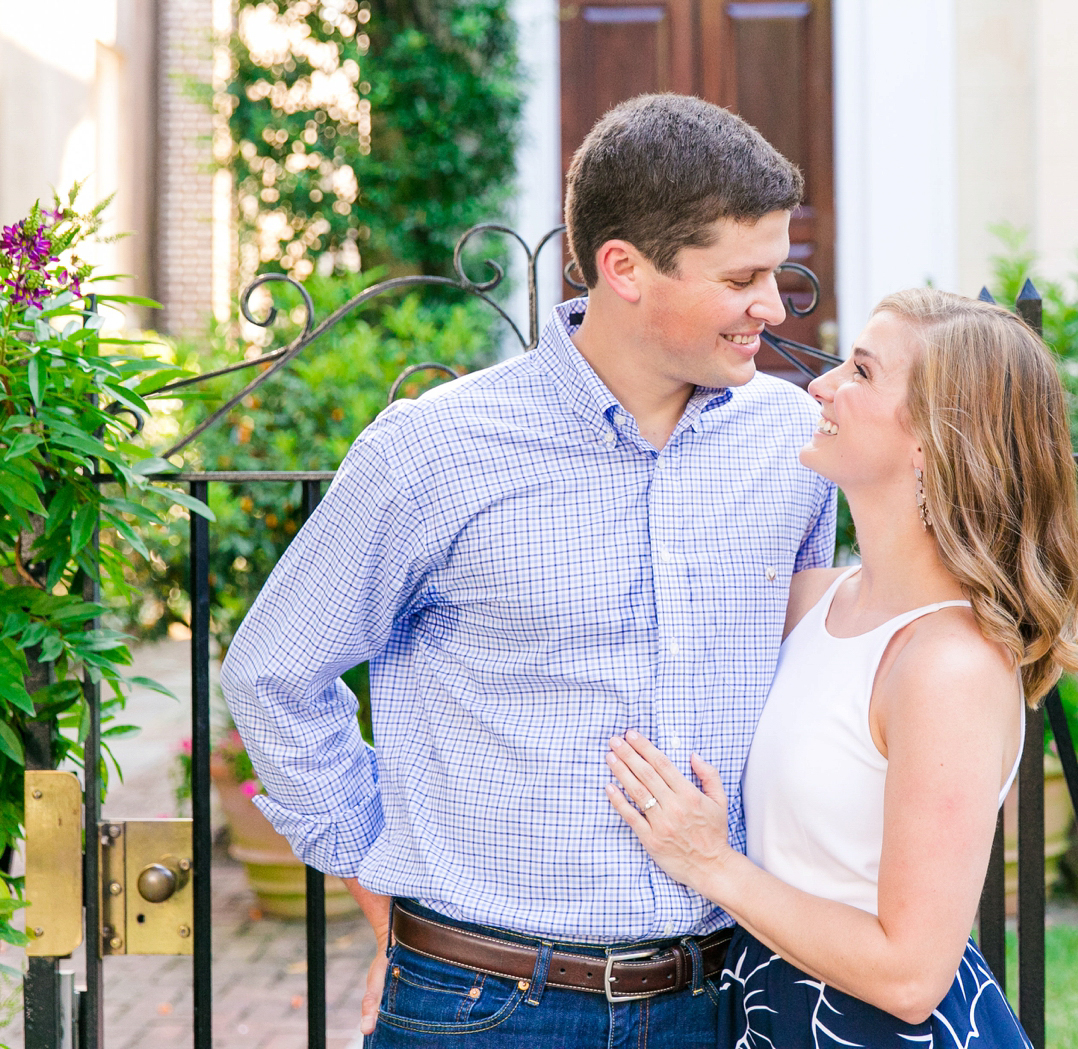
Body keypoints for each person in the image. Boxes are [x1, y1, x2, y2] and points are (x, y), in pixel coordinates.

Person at [219, 93, 838, 1048]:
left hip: (728, 996)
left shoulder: (795, 441)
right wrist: (379, 869)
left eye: (778, 272)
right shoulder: (433, 451)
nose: (773, 305)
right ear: (624, 268)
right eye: (742, 277)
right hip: (485, 1005)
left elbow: (810, 686)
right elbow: (274, 672)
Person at [603, 288, 1078, 1046]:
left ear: (932, 442)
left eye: (862, 373)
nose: (821, 385)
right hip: (771, 1010)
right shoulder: (814, 600)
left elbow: (910, 974)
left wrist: (713, 863)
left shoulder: (950, 666)